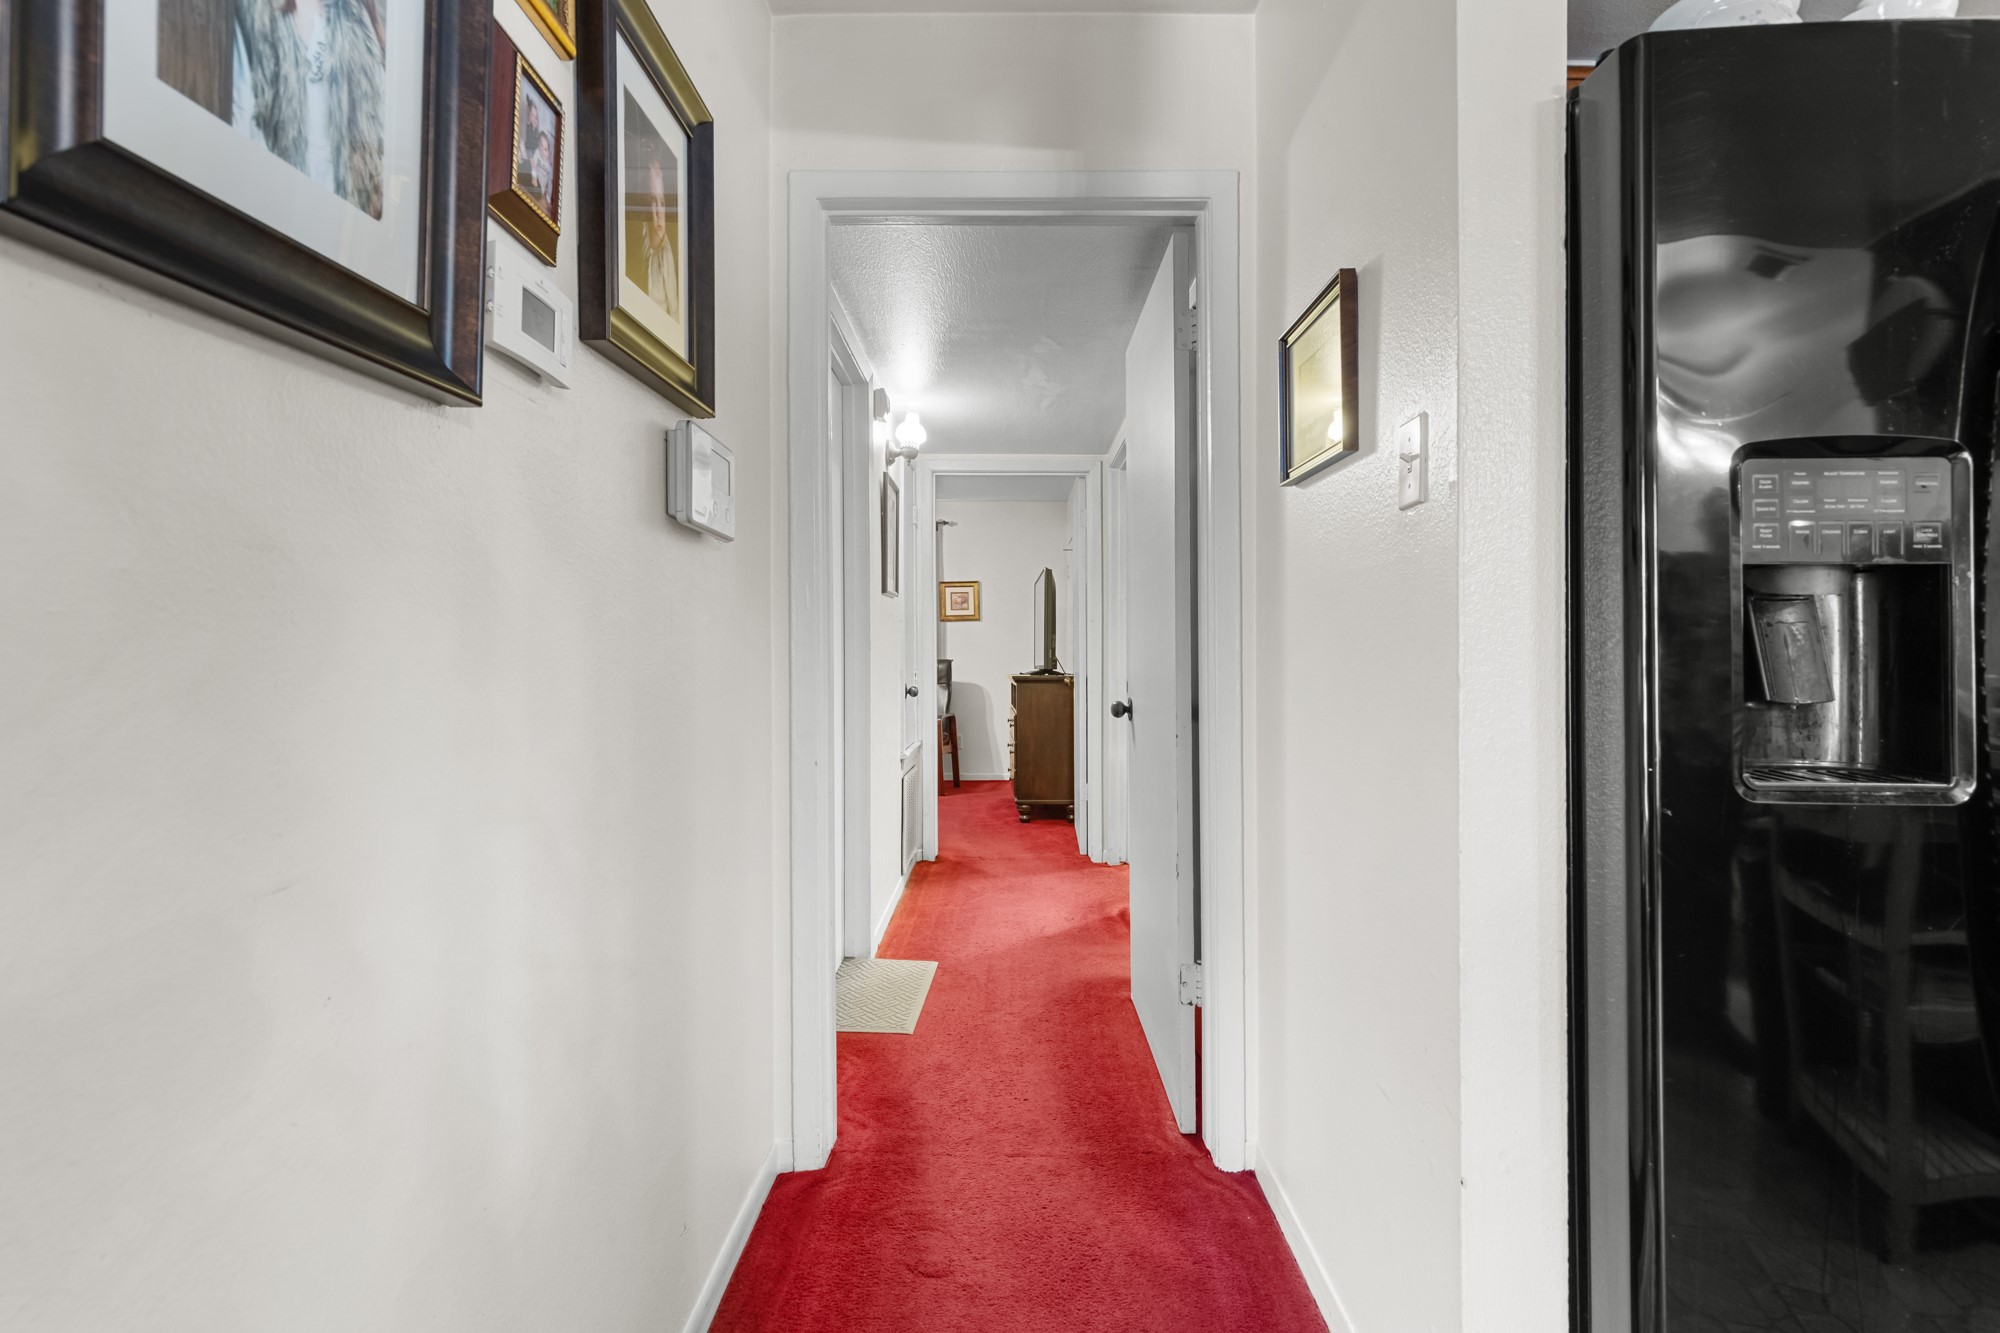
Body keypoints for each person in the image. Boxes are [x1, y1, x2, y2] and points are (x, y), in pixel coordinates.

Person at [230, 0, 386, 218]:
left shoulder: (358, 21)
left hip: (341, 225)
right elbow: (241, 120)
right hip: (273, 212)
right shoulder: (255, 12)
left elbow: (379, 141)